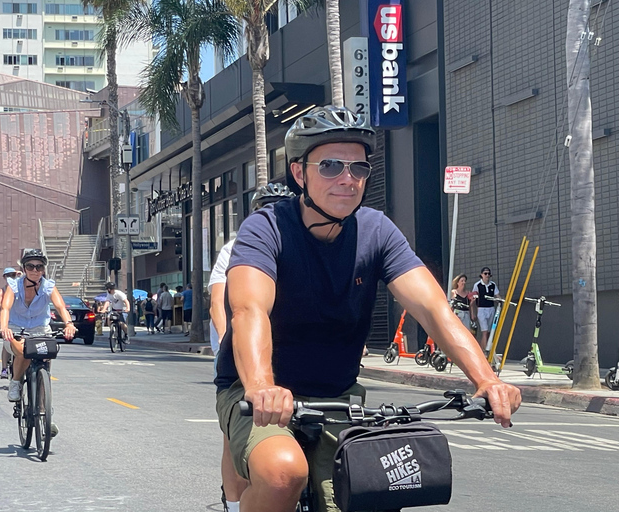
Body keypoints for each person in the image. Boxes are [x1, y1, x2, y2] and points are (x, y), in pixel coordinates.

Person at [214, 106, 521, 512]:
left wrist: (487, 380)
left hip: (339, 396)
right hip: (255, 392)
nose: (347, 179)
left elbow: (433, 309)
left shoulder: (377, 229)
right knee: (282, 471)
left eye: (358, 168)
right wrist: (260, 387)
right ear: (299, 173)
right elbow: (250, 310)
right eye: (331, 166)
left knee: (369, 491)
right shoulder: (267, 227)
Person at [208, 183, 295, 512]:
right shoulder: (237, 246)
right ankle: (234, 504)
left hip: (293, 354)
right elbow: (219, 301)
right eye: (266, 208)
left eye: (281, 207)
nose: (273, 214)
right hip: (244, 351)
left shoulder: (302, 242)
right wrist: (225, 338)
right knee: (238, 428)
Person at [0, 249, 75, 439]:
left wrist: (69, 324)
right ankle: (16, 382)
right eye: (31, 266)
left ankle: (45, 414)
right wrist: (4, 327)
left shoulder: (48, 286)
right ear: (24, 268)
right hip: (16, 329)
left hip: (41, 330)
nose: (35, 270)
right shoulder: (14, 285)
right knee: (22, 352)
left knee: (45, 366)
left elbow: (60, 306)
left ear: (43, 269)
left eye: (39, 266)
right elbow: (5, 308)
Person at [471, 267, 502, 353]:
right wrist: (473, 312)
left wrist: (501, 301)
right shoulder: (477, 285)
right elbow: (473, 298)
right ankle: (485, 352)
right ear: (481, 275)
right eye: (485, 273)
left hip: (491, 308)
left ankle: (485, 350)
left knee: (488, 332)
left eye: (488, 274)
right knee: (484, 331)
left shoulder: (493, 285)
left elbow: (497, 295)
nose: (487, 275)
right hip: (481, 309)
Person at [0, 268, 19, 379]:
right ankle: (4, 368)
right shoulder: (4, 290)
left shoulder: (21, 285)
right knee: (7, 344)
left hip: (21, 320)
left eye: (13, 275)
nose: (10, 277)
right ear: (4, 277)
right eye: (8, 275)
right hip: (7, 320)